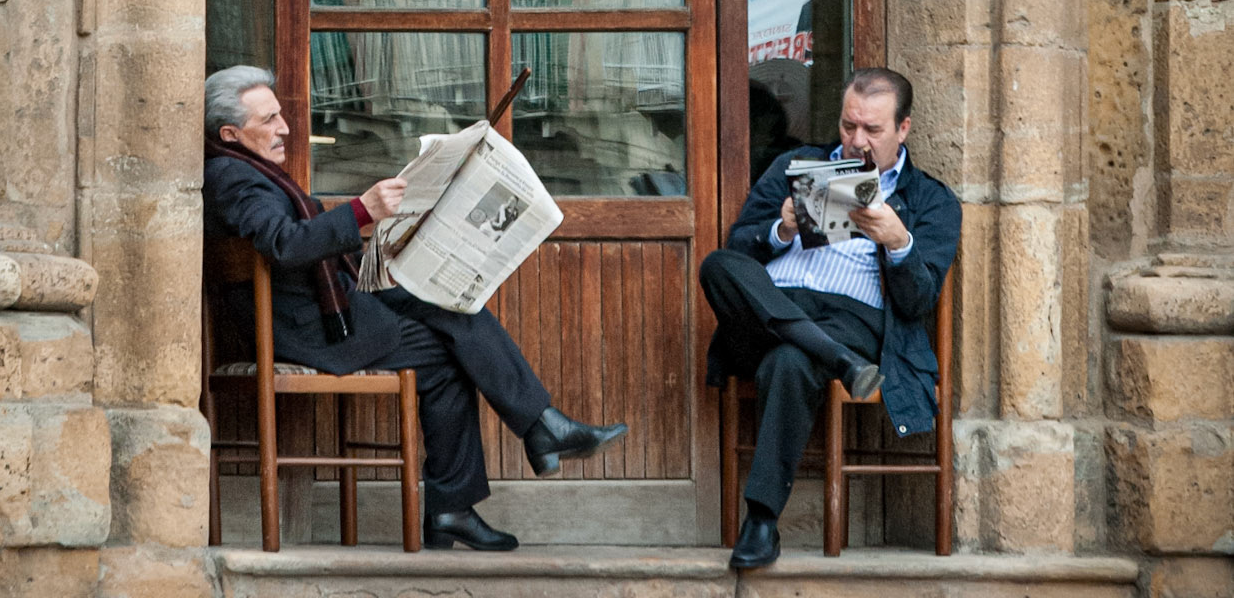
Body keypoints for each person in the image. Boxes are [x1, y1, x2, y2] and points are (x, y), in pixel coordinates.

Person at [202, 66, 626, 551]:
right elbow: (282, 244)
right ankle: (488, 476)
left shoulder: (240, 169)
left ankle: (534, 436)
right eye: (270, 119)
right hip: (308, 329)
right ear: (231, 134)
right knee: (448, 356)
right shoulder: (232, 177)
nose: (285, 128)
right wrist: (362, 210)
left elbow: (298, 246)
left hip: (326, 305)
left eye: (281, 115)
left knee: (447, 299)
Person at [700, 67, 960, 570]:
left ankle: (760, 522)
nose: (857, 141)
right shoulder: (795, 165)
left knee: (791, 362)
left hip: (851, 318)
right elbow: (739, 247)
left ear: (903, 129)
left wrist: (898, 241)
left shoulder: (932, 200)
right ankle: (834, 359)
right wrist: (781, 227)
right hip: (775, 306)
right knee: (717, 265)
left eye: (872, 130)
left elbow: (918, 303)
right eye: (848, 127)